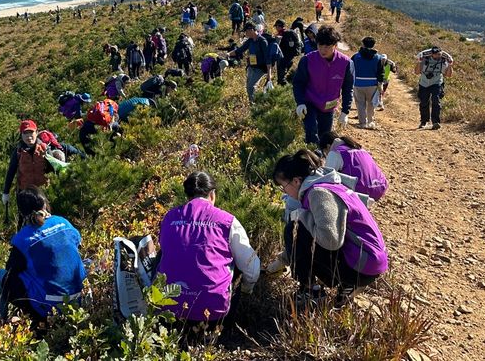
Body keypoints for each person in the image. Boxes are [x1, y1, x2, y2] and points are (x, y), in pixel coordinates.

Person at [269, 150, 387, 305]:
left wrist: (302, 216)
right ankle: (349, 285)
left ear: (296, 181)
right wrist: (282, 260)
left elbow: (330, 241)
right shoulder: (329, 183)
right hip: (371, 262)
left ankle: (311, 291)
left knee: (294, 226)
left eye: (284, 186)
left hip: (361, 265)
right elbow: (304, 241)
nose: (285, 192)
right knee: (302, 225)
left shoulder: (318, 194)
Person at [157, 172, 261, 323]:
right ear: (212, 194)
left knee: (166, 254)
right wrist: (246, 290)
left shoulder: (169, 217)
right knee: (239, 260)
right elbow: (253, 268)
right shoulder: (227, 221)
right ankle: (225, 328)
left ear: (187, 195)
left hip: (170, 310)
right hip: (213, 314)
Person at [3, 187, 87, 321]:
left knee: (0, 277)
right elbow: (77, 244)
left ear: (22, 211)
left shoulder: (22, 239)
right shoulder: (63, 222)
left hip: (51, 306)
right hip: (80, 296)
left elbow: (11, 271)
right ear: (45, 202)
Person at [292, 26, 354, 144]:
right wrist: (300, 102)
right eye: (320, 45)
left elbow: (348, 88)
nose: (323, 50)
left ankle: (321, 159)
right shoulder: (308, 60)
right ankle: (312, 157)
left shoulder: (346, 63)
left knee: (325, 137)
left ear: (335, 46)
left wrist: (345, 111)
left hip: (329, 106)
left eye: (327, 46)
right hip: (310, 102)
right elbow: (298, 83)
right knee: (311, 131)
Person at [318, 132, 388, 201]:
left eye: (325, 152)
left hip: (362, 193)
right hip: (380, 188)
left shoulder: (335, 152)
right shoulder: (359, 149)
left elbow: (327, 177)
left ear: (328, 146)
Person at [2, 120, 55, 204]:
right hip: (25, 193)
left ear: (37, 132)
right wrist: (6, 192)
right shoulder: (18, 152)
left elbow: (53, 169)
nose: (29, 136)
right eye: (25, 133)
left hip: (44, 193)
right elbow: (11, 172)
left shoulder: (45, 149)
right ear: (21, 135)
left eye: (31, 132)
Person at [229, 22, 272, 101]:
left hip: (260, 68)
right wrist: (228, 54)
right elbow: (240, 50)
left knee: (251, 87)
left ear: (251, 30)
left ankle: (254, 106)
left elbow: (267, 58)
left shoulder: (262, 41)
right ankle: (254, 102)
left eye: (246, 31)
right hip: (251, 67)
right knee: (249, 86)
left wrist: (269, 74)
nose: (245, 33)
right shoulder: (250, 40)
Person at [415, 46, 453, 129]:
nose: (438, 56)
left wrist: (450, 65)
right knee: (424, 102)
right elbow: (417, 72)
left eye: (440, 54)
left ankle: (435, 122)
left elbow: (448, 75)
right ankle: (424, 121)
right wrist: (418, 62)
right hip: (424, 83)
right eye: (436, 54)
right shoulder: (425, 60)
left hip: (437, 82)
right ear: (432, 54)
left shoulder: (443, 61)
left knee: (436, 100)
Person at [350, 37, 384, 129]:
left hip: (358, 83)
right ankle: (370, 122)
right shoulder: (378, 57)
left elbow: (351, 69)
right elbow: (381, 72)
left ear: (363, 44)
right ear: (373, 45)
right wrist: (380, 84)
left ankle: (362, 123)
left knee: (360, 104)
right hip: (372, 84)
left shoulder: (356, 56)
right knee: (371, 104)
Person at [275, 19, 302, 86]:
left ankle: (284, 88)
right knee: (282, 75)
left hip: (284, 57)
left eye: (276, 26)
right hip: (289, 57)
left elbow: (280, 46)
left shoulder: (283, 34)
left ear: (279, 26)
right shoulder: (288, 32)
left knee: (281, 77)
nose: (276, 28)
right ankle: (282, 87)